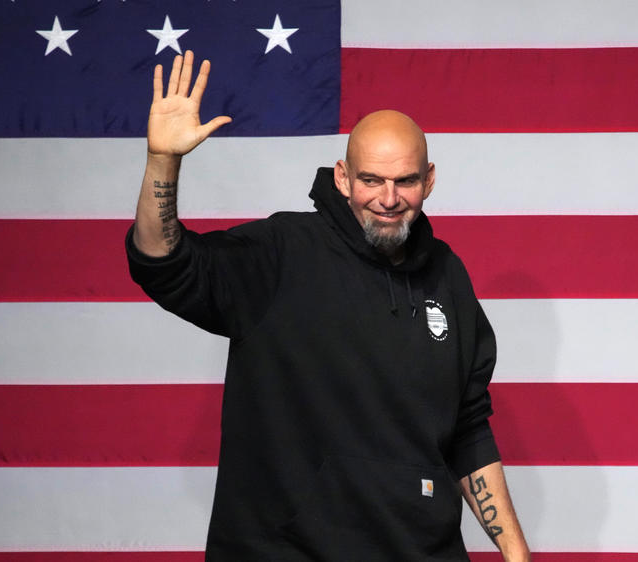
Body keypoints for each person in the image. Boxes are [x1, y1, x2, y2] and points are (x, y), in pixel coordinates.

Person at [126, 51, 531, 561]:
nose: (388, 198)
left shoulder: (448, 276)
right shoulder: (281, 251)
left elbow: (468, 426)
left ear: (429, 181)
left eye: (405, 181)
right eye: (370, 180)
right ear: (342, 178)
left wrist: (515, 552)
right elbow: (161, 262)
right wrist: (163, 160)